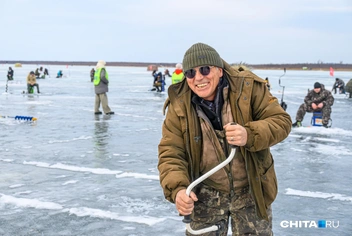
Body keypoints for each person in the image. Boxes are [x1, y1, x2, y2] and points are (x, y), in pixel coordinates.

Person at [158, 43, 292, 235]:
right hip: (205, 193)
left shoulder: (248, 88)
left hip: (251, 190)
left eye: (205, 70)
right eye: (190, 73)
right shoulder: (179, 104)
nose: (198, 78)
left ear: (219, 71)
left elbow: (281, 121)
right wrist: (178, 189)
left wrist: (249, 134)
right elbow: (170, 153)